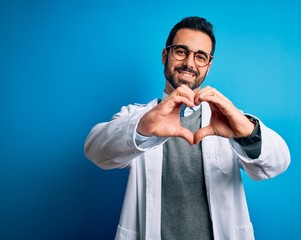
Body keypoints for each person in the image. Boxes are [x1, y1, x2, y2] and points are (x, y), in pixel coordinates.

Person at [84, 16, 290, 240]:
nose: (190, 63)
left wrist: (247, 133)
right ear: (166, 55)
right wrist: (144, 127)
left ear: (208, 67)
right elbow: (95, 150)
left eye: (200, 57)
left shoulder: (227, 121)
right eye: (181, 51)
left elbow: (278, 162)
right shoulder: (138, 118)